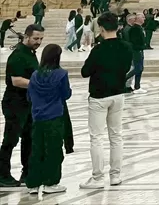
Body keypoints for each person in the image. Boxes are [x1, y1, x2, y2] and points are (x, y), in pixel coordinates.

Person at [80, 12, 133, 189]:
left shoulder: (99, 49)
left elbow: (85, 72)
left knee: (96, 137)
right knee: (116, 136)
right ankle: (115, 176)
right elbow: (126, 68)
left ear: (101, 28)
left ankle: (97, 178)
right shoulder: (126, 46)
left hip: (99, 96)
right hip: (118, 94)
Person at [0, 24, 44, 188]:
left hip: (28, 103)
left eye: (40, 39)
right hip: (15, 103)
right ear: (26, 37)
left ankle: (28, 173)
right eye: (35, 38)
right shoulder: (18, 55)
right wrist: (40, 84)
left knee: (29, 138)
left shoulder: (31, 54)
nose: (38, 42)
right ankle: (2, 174)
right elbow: (16, 80)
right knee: (11, 139)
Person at [25, 43, 71, 196]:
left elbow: (29, 95)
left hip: (37, 116)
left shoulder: (35, 75)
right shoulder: (61, 74)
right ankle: (50, 182)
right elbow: (66, 94)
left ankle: (33, 183)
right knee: (53, 149)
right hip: (54, 116)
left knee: (36, 149)